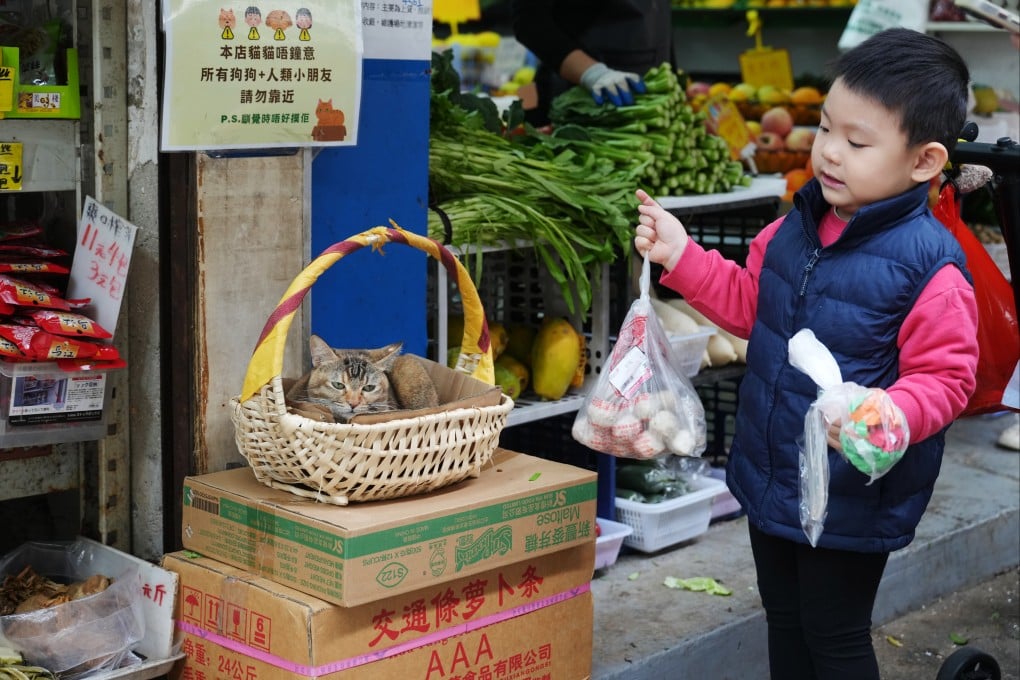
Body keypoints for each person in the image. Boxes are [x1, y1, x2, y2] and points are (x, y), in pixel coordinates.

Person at [634, 28, 979, 680]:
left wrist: (891, 412)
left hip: (852, 493)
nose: (830, 153)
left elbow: (948, 377)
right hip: (771, 473)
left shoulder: (930, 265)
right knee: (785, 621)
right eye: (825, 129)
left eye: (857, 142)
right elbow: (749, 306)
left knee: (835, 635)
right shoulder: (791, 227)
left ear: (924, 161)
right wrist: (681, 256)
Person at [510, 0, 674, 126]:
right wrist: (593, 73)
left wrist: (675, 84)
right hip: (584, 111)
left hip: (658, 108)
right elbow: (529, 22)